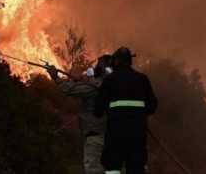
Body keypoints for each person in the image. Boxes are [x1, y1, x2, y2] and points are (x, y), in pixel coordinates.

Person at [93, 46, 157, 174]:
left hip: (115, 136)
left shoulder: (109, 80)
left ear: (115, 61)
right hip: (137, 137)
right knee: (135, 169)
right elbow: (152, 107)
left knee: (112, 169)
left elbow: (98, 110)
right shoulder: (142, 79)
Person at [47, 54, 112, 174]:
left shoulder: (95, 88)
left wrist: (55, 77)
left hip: (96, 137)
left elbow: (69, 89)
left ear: (103, 69)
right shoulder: (116, 87)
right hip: (115, 137)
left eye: (98, 65)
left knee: (94, 170)